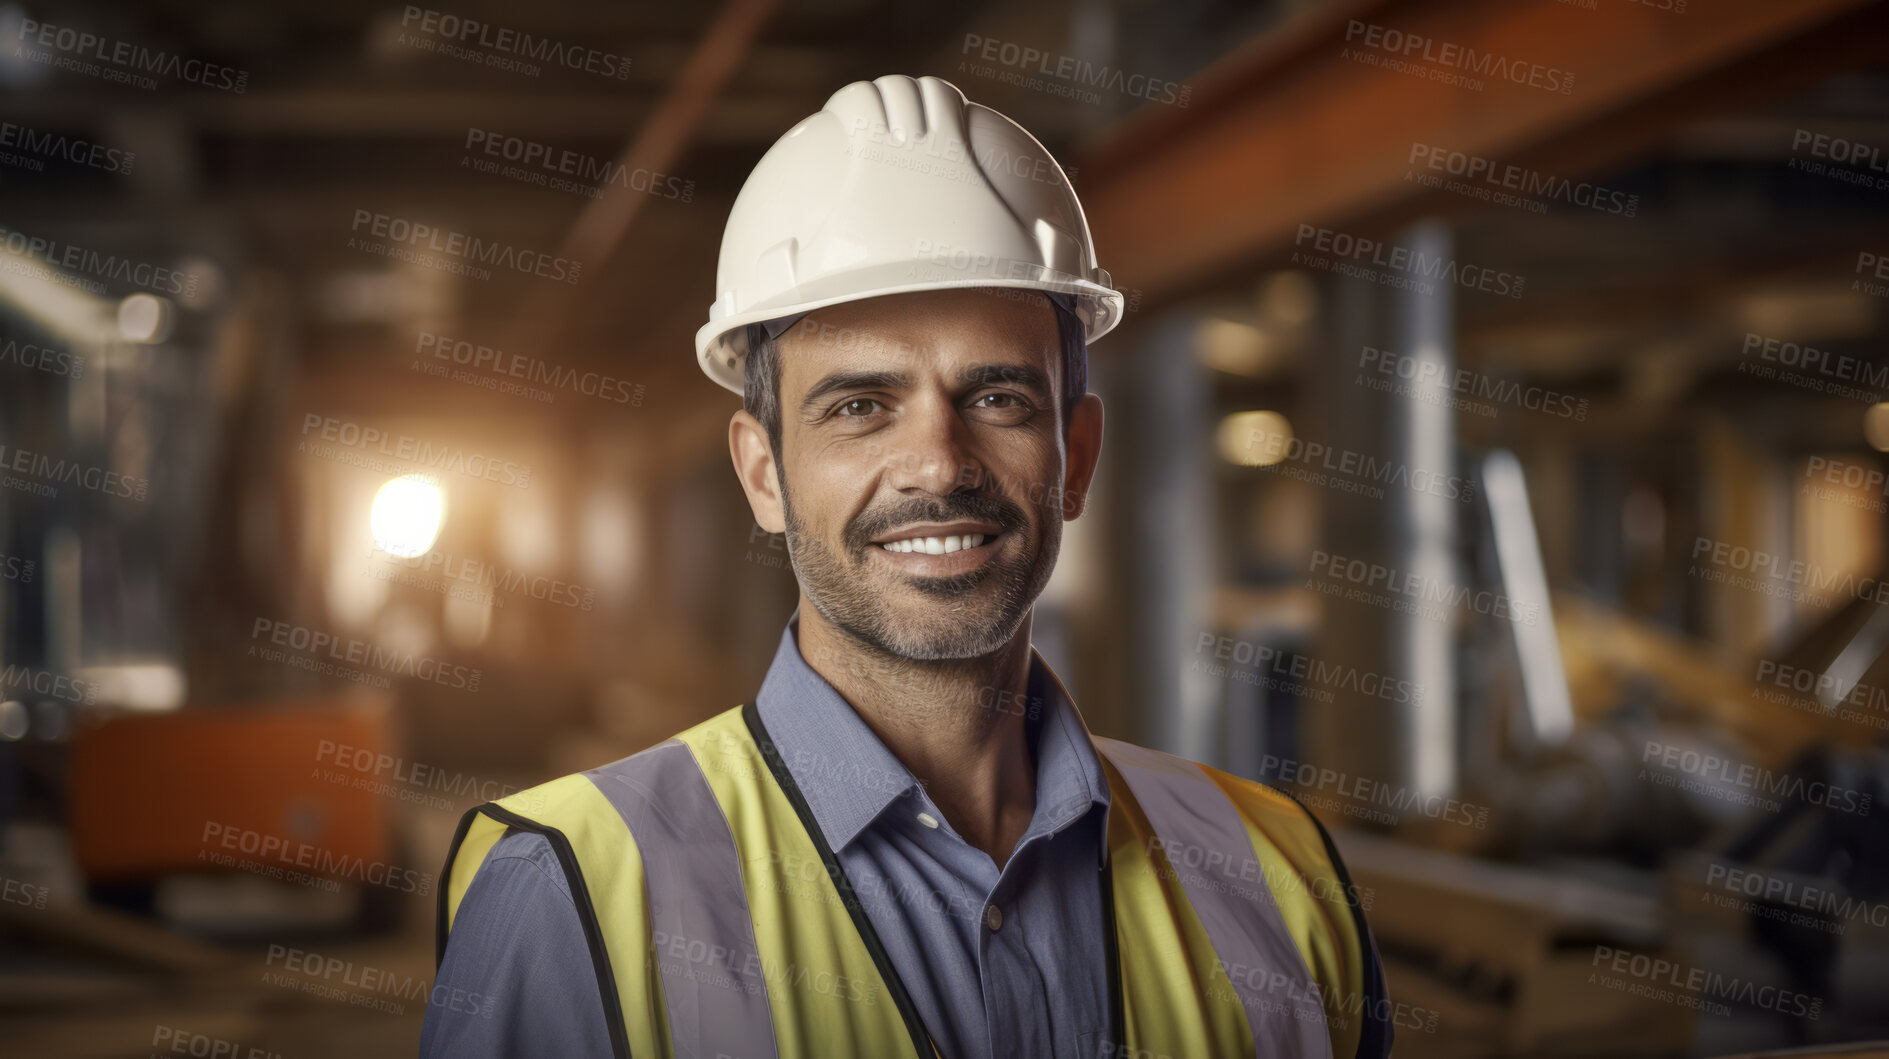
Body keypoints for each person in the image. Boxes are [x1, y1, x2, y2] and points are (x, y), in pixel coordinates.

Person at [421, 73, 1393, 1059]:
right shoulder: (572, 888)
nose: (937, 461)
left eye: (1000, 397)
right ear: (764, 475)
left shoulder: (1276, 875)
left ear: (1077, 458)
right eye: (858, 407)